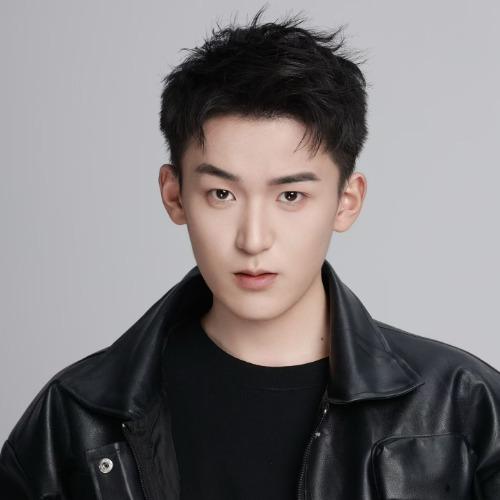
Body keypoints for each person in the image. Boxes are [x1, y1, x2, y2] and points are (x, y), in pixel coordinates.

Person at [1, 6, 500, 499]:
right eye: (222, 194)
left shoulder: (462, 406)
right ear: (174, 195)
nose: (253, 239)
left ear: (346, 202)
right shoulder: (77, 417)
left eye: (291, 196)